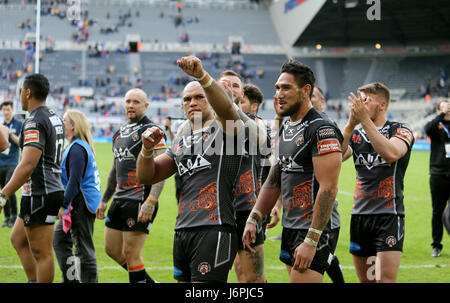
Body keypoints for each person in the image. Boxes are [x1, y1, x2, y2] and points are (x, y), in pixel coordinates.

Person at [137, 56, 247, 283]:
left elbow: (226, 108)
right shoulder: (181, 140)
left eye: (199, 97)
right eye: (186, 99)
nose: (192, 102)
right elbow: (148, 175)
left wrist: (201, 76)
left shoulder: (226, 129)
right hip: (183, 229)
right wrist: (147, 150)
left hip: (215, 227)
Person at [243, 59, 343, 283]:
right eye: (277, 88)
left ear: (306, 90)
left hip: (314, 229)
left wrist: (312, 239)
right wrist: (255, 216)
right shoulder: (286, 127)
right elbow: (275, 177)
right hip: (291, 225)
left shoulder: (322, 129)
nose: (279, 93)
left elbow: (328, 188)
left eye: (286, 87)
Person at [341, 82, 414, 283]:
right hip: (360, 217)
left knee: (385, 280)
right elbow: (335, 157)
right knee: (366, 281)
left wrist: (364, 121)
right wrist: (349, 125)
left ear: (382, 105)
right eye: (359, 100)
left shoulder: (400, 129)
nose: (360, 104)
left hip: (389, 216)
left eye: (366, 100)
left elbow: (391, 153)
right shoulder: (356, 134)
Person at [95, 88, 166, 283]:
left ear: (146, 106)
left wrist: (151, 200)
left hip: (140, 199)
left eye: (136, 102)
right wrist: (104, 200)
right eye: (127, 101)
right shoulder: (119, 133)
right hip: (119, 199)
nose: (130, 105)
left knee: (131, 253)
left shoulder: (153, 131)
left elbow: (161, 170)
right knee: (111, 250)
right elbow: (114, 169)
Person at [1, 73, 65, 283]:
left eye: (20, 91)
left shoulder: (34, 121)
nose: (19, 96)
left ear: (27, 93)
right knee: (18, 238)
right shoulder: (54, 116)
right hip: (45, 189)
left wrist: (3, 195)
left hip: (41, 192)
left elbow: (28, 164)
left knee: (42, 253)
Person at [53, 109, 101, 283]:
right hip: (78, 202)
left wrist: (63, 204)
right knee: (60, 240)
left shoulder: (77, 148)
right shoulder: (75, 146)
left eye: (64, 120)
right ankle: (71, 280)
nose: (61, 122)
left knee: (83, 250)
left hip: (80, 204)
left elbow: (75, 181)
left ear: (72, 125)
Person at [310, 86, 345, 283]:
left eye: (313, 96)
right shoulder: (295, 125)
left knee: (322, 257)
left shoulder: (326, 125)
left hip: (323, 209)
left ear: (322, 101)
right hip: (298, 211)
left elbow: (343, 151)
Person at [424, 100, 450, 257]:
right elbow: (428, 129)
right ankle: (436, 245)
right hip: (438, 174)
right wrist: (441, 114)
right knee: (437, 212)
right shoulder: (436, 126)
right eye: (446, 106)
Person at [0, 100, 22, 228]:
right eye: (4, 110)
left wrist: (9, 133)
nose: (6, 112)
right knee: (3, 191)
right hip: (1, 162)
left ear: (12, 110)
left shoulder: (18, 124)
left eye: (8, 109)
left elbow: (20, 142)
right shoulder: (1, 125)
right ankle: (7, 217)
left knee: (10, 189)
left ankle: (14, 216)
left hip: (12, 162)